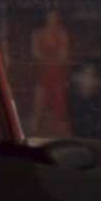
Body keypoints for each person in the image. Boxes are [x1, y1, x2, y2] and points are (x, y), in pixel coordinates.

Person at [29, 8, 72, 137]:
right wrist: (48, 59)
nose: (53, 20)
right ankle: (37, 121)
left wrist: (52, 59)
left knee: (58, 98)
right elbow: (36, 54)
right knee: (42, 92)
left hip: (58, 71)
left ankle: (57, 130)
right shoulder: (38, 34)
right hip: (44, 70)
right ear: (46, 18)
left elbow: (63, 55)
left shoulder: (62, 34)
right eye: (51, 17)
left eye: (55, 18)